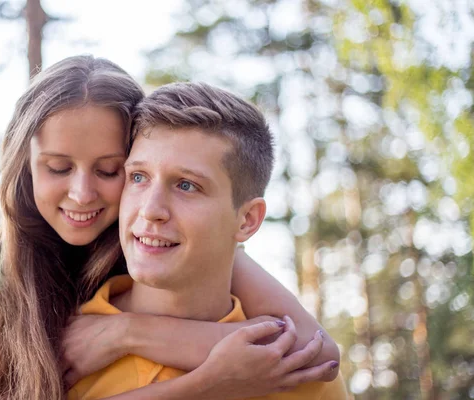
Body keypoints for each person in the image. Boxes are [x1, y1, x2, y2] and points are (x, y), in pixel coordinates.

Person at [0, 55, 339, 400]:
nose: (83, 194)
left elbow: (316, 353)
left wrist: (125, 333)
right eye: (58, 168)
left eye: (109, 170)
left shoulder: (169, 240)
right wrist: (208, 385)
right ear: (24, 166)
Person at [69, 82, 347, 400]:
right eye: (138, 177)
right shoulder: (58, 348)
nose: (150, 210)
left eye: (186, 185)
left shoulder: (299, 375)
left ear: (247, 220)